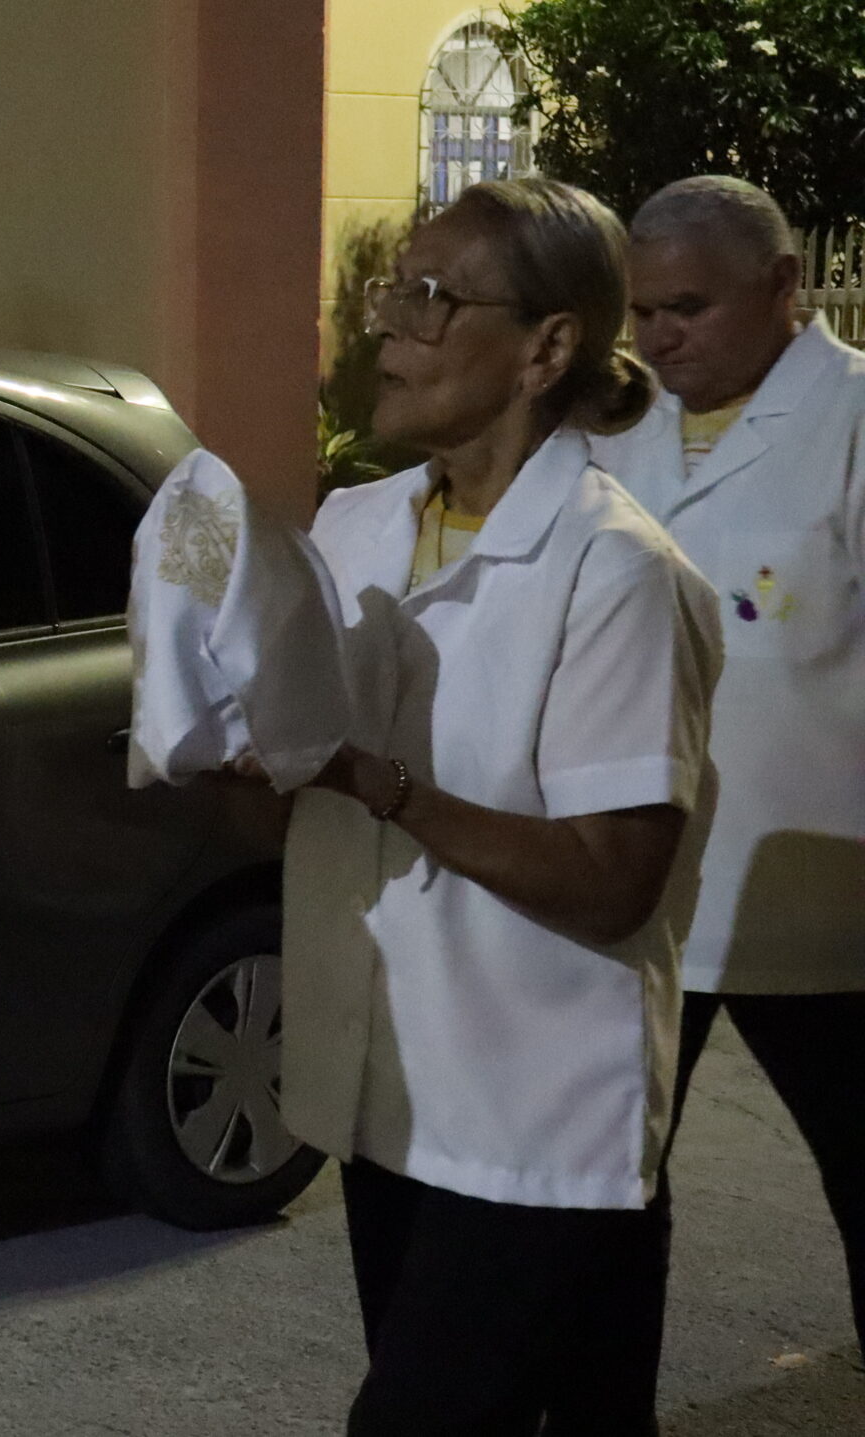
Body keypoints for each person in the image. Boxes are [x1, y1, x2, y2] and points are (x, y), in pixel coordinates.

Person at [280, 178, 722, 1435]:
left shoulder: (615, 571)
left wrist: (380, 782)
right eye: (392, 291)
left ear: (545, 348)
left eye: (431, 298)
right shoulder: (353, 525)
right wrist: (234, 750)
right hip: (391, 1088)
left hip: (534, 1118)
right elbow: (296, 816)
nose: (387, 325)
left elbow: (612, 879)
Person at [590, 175, 865, 1352]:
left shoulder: (852, 421)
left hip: (818, 897)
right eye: (642, 311)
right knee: (609, 1187)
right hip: (642, 881)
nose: (659, 338)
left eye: (687, 309)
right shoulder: (620, 428)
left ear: (783, 286)